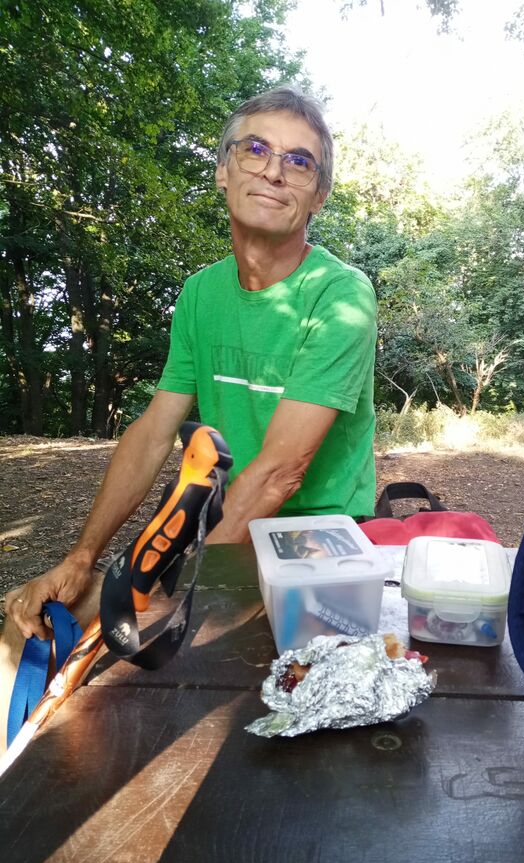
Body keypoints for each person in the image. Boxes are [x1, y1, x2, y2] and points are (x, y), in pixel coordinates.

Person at [0, 87, 377, 745]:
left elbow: (279, 474)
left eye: (299, 161)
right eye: (255, 149)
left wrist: (166, 585)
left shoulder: (341, 295)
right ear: (223, 170)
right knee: (27, 623)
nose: (273, 170)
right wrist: (83, 557)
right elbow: (153, 431)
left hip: (317, 547)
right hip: (223, 530)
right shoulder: (202, 294)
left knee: (181, 701)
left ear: (317, 195)